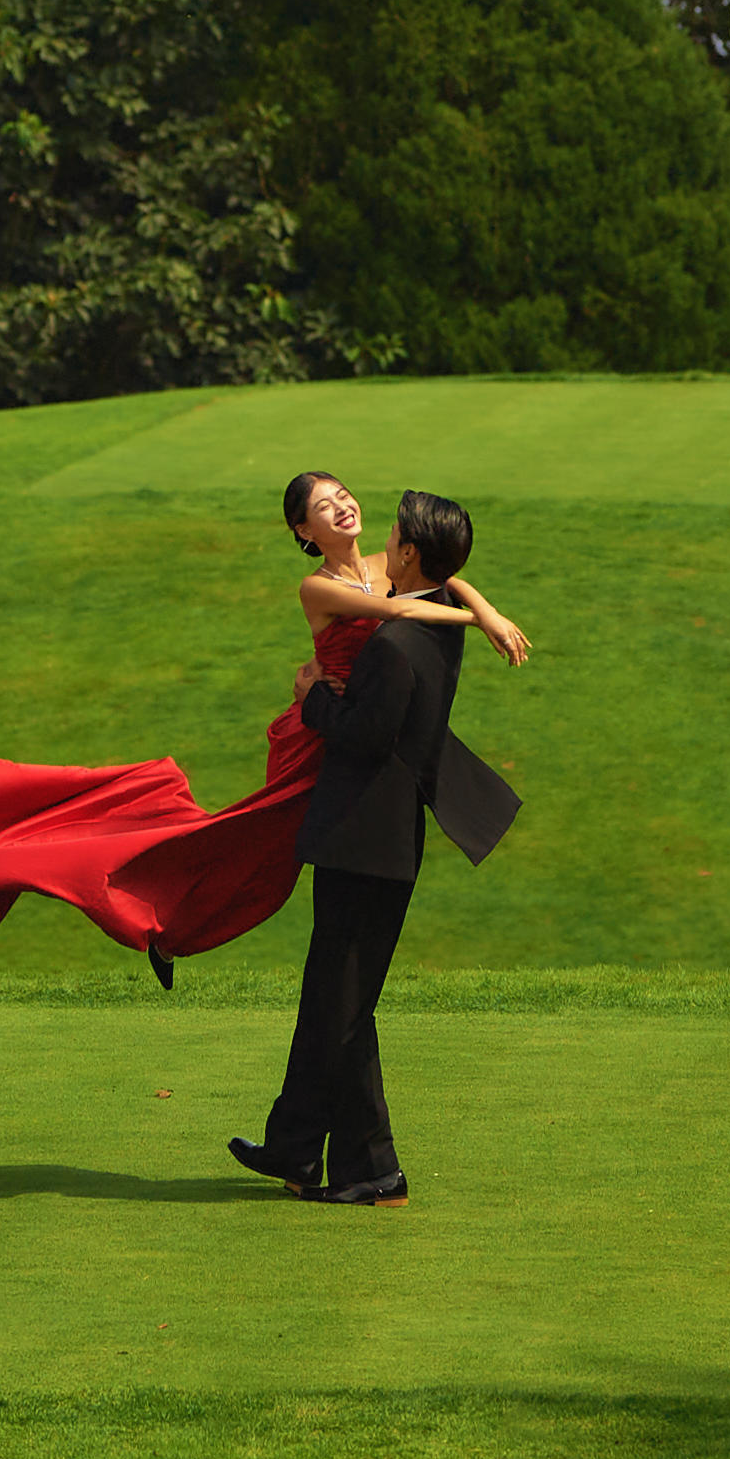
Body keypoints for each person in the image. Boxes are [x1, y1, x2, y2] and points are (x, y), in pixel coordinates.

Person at [0, 471, 519, 997]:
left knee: (259, 856)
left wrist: (484, 606)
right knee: (250, 848)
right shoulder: (318, 587)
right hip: (317, 738)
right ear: (305, 532)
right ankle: (152, 918)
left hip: (346, 733)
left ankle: (171, 929)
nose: (343, 507)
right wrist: (476, 622)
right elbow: (399, 607)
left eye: (344, 495)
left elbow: (437, 580)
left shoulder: (387, 562)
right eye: (324, 507)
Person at [231, 489, 524, 1208]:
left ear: (411, 553)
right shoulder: (427, 616)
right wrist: (482, 611)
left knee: (340, 1005)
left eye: (394, 535)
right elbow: (443, 588)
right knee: (337, 1001)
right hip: (378, 838)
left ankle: (352, 1163)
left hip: (362, 837)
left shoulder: (394, 646)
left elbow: (362, 736)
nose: (383, 539)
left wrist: (312, 698)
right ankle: (313, 1152)